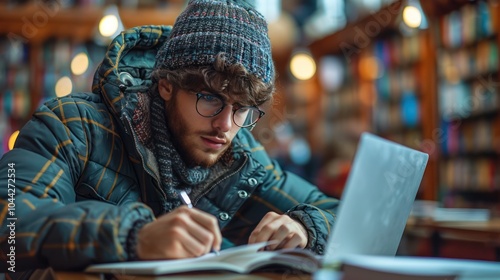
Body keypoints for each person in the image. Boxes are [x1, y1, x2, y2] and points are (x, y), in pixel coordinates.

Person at [0, 0, 339, 278]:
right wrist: (133, 237)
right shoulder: (72, 125)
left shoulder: (239, 159)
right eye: (210, 99)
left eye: (242, 109)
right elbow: (9, 227)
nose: (225, 125)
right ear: (167, 85)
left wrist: (305, 225)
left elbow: (336, 211)